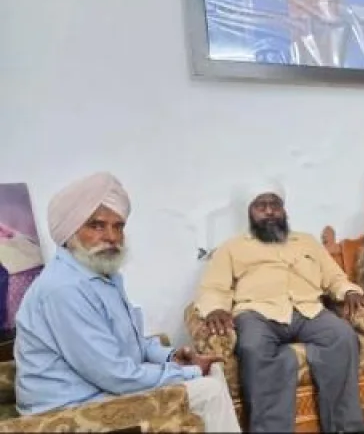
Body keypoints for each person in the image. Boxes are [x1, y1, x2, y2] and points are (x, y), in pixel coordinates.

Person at [14, 172, 240, 432]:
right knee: (208, 391)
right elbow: (114, 375)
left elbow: (130, 343)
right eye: (97, 226)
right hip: (67, 409)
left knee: (212, 373)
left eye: (118, 226)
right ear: (70, 232)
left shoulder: (103, 275)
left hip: (99, 390)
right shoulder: (64, 289)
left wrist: (171, 356)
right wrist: (189, 372)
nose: (111, 237)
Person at [194, 179, 364, 432]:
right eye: (261, 206)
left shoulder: (307, 242)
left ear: (283, 210)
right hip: (257, 313)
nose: (269, 211)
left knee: (342, 336)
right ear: (250, 212)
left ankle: (344, 427)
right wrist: (215, 308)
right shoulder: (232, 247)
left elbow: (334, 277)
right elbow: (213, 287)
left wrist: (350, 291)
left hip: (308, 310)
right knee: (253, 346)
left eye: (274, 205)